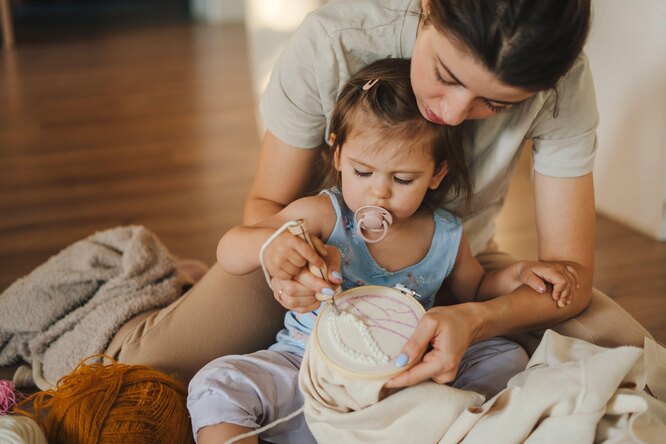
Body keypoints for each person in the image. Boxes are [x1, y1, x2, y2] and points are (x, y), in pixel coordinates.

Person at [105, 0, 651, 387]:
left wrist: (478, 316)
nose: (454, 114)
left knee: (632, 357)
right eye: (445, 74)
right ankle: (184, 288)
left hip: (446, 268)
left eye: (496, 104)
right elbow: (264, 211)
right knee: (141, 372)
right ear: (428, 6)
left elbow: (569, 278)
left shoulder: (563, 86)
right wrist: (285, 264)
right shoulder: (333, 40)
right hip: (317, 262)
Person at [187, 58, 577, 444]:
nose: (380, 192)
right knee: (217, 384)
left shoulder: (444, 234)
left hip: (404, 378)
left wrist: (519, 274)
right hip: (308, 367)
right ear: (337, 154)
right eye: (362, 172)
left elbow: (476, 290)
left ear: (437, 174)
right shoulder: (321, 214)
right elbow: (229, 250)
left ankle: (429, 423)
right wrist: (271, 245)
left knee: (506, 358)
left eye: (404, 179)